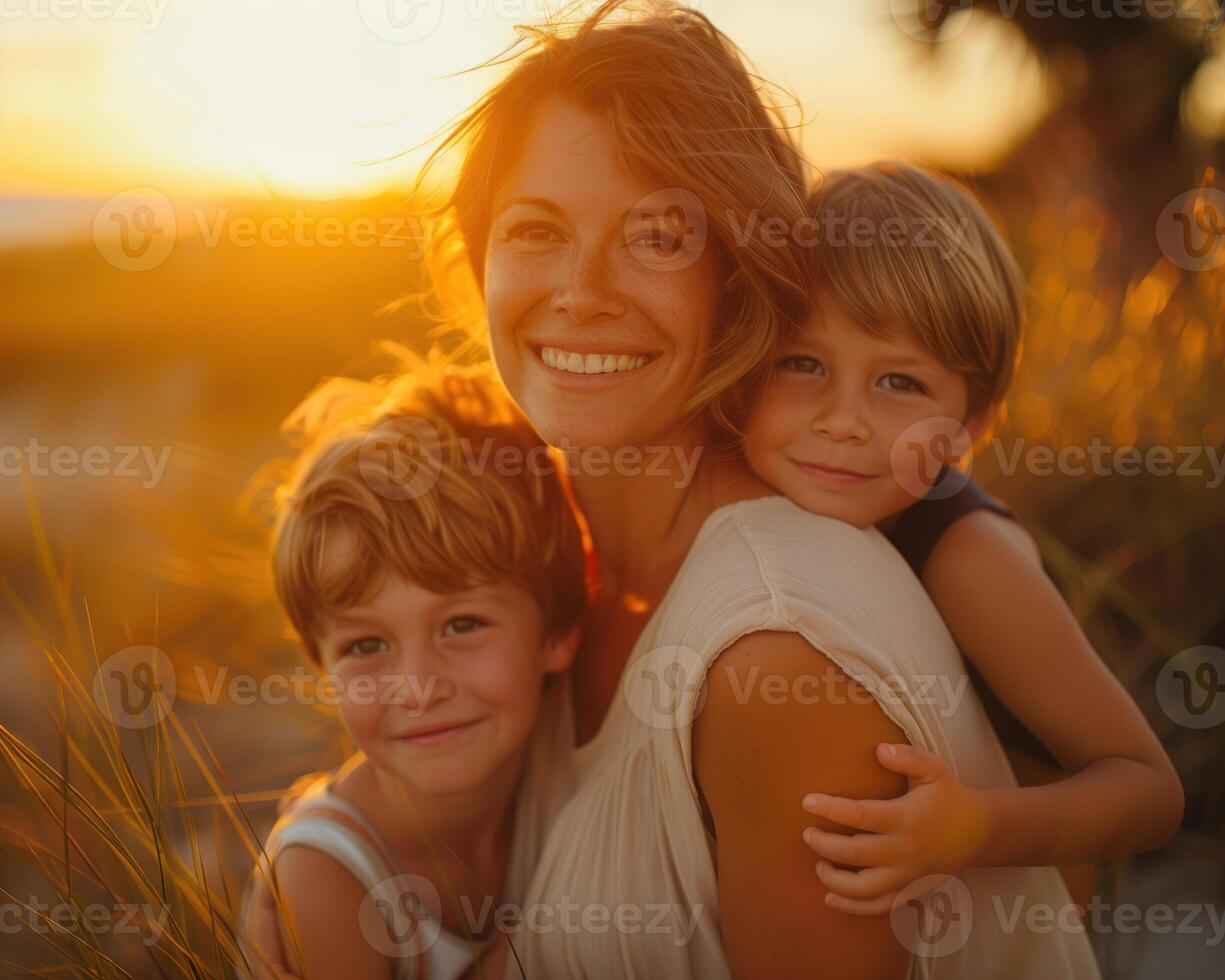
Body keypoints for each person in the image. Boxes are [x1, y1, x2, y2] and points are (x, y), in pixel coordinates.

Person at [740, 162, 1183, 916]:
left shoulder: (965, 553)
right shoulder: (754, 500)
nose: (840, 419)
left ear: (969, 428)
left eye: (898, 383)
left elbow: (1146, 788)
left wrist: (971, 827)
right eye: (801, 364)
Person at [240, 354, 585, 979]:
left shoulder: (574, 759)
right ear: (323, 666)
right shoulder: (329, 874)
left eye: (462, 625)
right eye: (366, 646)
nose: (419, 689)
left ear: (557, 630)